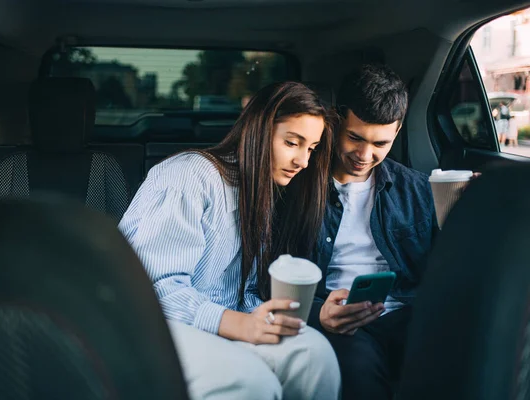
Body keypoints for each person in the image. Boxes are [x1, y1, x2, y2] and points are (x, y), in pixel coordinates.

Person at [119, 81, 341, 400]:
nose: (303, 162)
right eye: (293, 143)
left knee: (314, 355)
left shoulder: (262, 194)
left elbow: (242, 293)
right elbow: (148, 287)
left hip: (219, 326)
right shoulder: (188, 177)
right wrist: (234, 323)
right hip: (154, 327)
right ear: (259, 130)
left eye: (311, 148)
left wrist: (279, 317)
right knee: (250, 383)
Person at [307, 64, 439, 400]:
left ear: (396, 134)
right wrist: (317, 313)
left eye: (380, 143)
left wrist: (467, 209)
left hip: (406, 313)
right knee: (357, 377)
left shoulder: (417, 189)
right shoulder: (298, 186)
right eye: (355, 137)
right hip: (336, 318)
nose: (365, 155)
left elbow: (444, 266)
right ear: (335, 121)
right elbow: (266, 277)